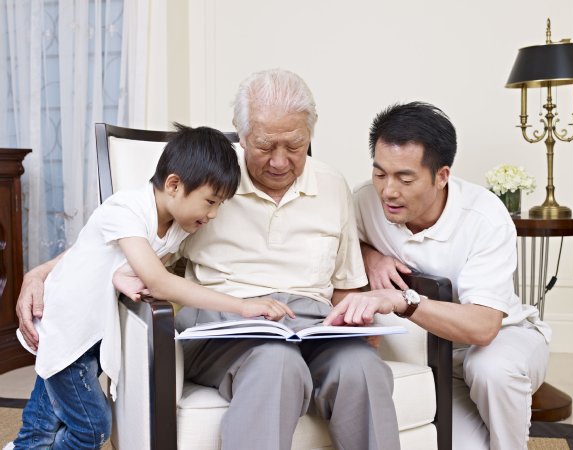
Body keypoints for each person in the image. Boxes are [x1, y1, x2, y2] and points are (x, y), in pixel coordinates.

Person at [15, 69, 400, 450]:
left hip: (312, 325)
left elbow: (348, 285)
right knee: (277, 364)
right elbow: (119, 236)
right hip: (227, 333)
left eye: (295, 146)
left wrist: (359, 324)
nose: (280, 161)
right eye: (265, 146)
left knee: (363, 368)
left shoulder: (332, 186)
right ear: (241, 133)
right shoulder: (208, 185)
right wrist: (42, 272)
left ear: (310, 134)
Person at [8, 124, 293, 450]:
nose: (213, 215)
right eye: (210, 202)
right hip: (66, 331)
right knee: (93, 429)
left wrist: (124, 274)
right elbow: (158, 280)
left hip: (95, 335)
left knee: (44, 421)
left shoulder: (177, 227)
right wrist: (242, 306)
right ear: (174, 184)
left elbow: (134, 262)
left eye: (220, 206)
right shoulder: (125, 209)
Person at [324, 101, 552, 450]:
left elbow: (483, 327)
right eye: (380, 173)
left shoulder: (484, 217)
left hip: (503, 340)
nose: (388, 191)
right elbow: (335, 251)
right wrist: (369, 255)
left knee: (491, 370)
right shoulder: (364, 202)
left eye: (405, 178)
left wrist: (403, 300)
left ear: (442, 175)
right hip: (432, 356)